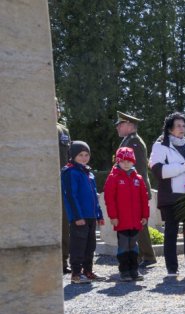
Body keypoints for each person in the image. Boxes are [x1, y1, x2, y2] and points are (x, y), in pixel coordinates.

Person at [149, 112, 185, 277]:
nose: (182, 129)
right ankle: (172, 269)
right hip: (171, 196)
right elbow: (158, 171)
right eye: (178, 126)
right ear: (169, 129)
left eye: (183, 126)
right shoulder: (159, 146)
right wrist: (184, 167)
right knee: (171, 233)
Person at [115, 111, 157, 268]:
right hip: (132, 190)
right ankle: (139, 255)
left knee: (139, 223)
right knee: (135, 223)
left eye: (120, 124)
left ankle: (147, 256)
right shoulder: (129, 141)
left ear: (129, 125)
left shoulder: (134, 143)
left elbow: (136, 169)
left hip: (136, 190)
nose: (117, 128)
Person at [61, 141, 105, 284]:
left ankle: (88, 271)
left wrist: (99, 214)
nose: (84, 158)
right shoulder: (70, 172)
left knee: (90, 245)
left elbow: (94, 196)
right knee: (78, 245)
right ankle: (76, 274)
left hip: (91, 215)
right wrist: (77, 216)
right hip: (79, 216)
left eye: (87, 155)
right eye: (80, 155)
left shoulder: (89, 173)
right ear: (73, 155)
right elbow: (70, 196)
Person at [104, 147, 150, 281]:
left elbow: (144, 198)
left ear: (133, 162)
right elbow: (109, 199)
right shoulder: (113, 178)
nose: (126, 164)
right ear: (118, 161)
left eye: (129, 161)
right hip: (121, 220)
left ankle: (134, 270)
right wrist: (113, 217)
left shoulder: (139, 178)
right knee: (124, 246)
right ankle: (124, 271)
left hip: (136, 220)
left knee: (134, 246)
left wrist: (144, 216)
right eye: (123, 161)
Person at [56, 99, 72, 274]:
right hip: (45, 182)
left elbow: (70, 155)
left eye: (58, 107)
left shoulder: (63, 129)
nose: (57, 110)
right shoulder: (40, 127)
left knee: (64, 222)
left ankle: (62, 262)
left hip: (63, 180)